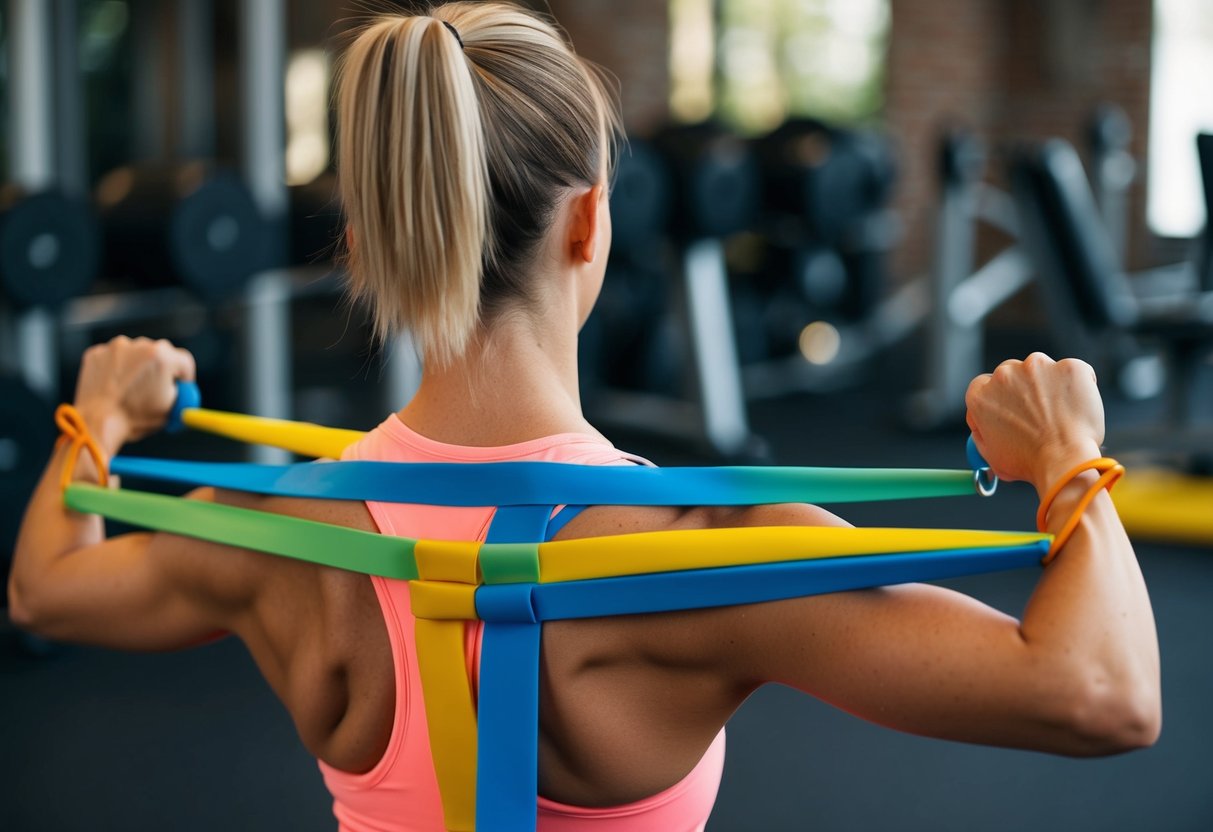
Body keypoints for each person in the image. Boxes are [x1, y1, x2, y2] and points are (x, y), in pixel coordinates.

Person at [8, 3, 1160, 831]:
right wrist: (1067, 457)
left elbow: (43, 588)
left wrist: (95, 423)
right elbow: (1099, 694)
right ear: (589, 224)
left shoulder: (253, 524)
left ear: (365, 247)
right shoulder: (713, 556)